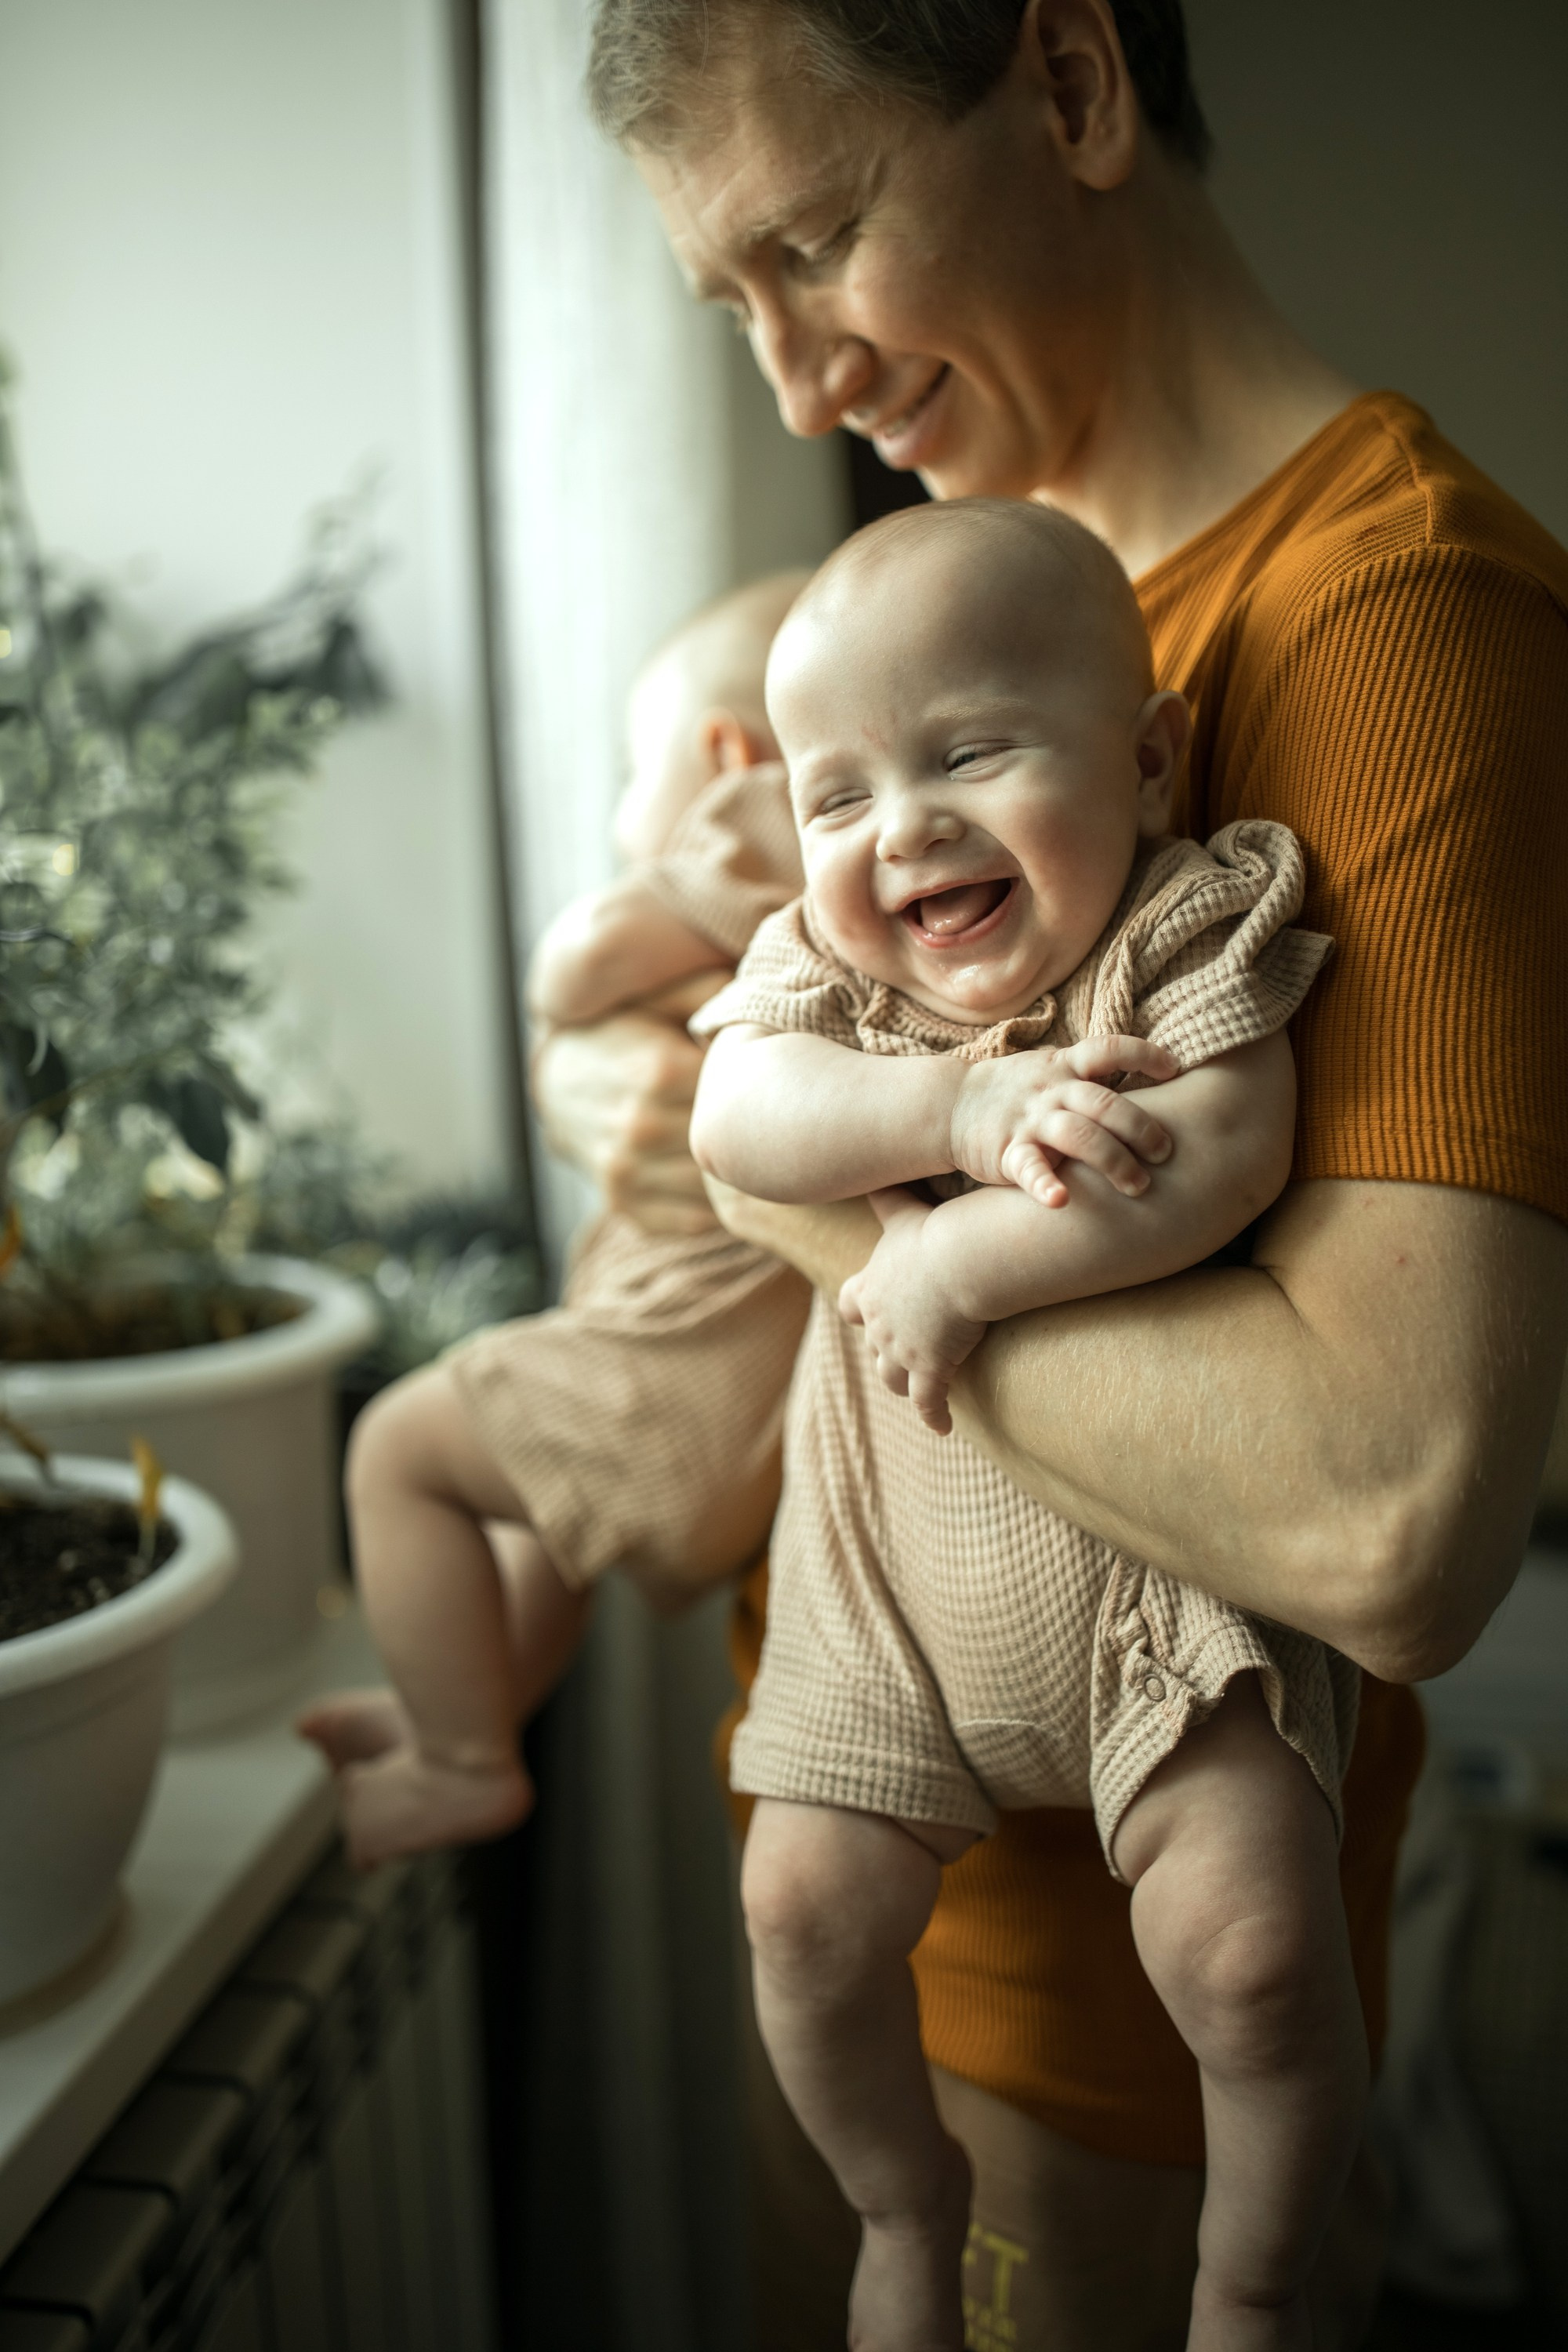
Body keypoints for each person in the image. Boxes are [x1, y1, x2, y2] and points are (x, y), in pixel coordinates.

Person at [560, 0, 1568, 2341]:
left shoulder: (1389, 618)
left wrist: (817, 1185)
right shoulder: (947, 633)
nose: (797, 388)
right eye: (736, 308)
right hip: (842, 1838)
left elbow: (1392, 1526)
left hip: (1110, 2036)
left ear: (1078, 82)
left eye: (817, 243)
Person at [691, 495, 1361, 2352]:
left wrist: (959, 1270)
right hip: (884, 1610)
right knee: (802, 1920)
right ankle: (901, 2206)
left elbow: (1226, 1153)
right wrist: (963, 1123)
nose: (899, 828)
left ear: (1143, 760)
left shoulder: (1182, 919)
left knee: (1255, 1952)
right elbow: (731, 1121)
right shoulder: (830, 987)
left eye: (970, 750)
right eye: (838, 798)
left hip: (1171, 1612)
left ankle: (1252, 2283)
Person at [298, 574, 812, 1864]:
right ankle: (460, 1707)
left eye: (627, 773)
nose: (620, 814)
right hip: (747, 1412)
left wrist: (569, 970)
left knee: (399, 1453)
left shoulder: (752, 832)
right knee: (538, 1511)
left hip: (676, 1376)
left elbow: (579, 963)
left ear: (722, 755)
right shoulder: (855, 885)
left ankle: (465, 1763)